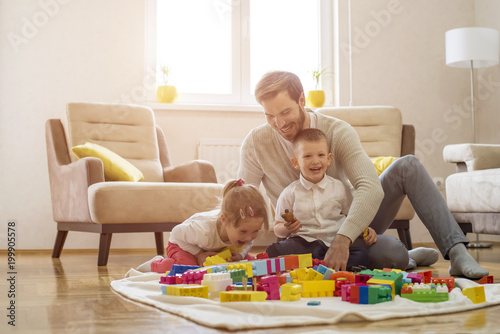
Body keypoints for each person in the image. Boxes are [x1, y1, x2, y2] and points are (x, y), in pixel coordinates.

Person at [237, 70, 489, 279]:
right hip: (304, 240)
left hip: (349, 223)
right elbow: (243, 201)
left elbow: (370, 186)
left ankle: (457, 252)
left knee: (408, 165)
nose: (279, 124)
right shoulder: (256, 142)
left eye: (285, 112)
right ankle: (409, 257)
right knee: (393, 256)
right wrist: (233, 250)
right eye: (269, 115)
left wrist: (344, 238)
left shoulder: (338, 131)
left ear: (302, 100)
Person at [268, 128, 378, 270]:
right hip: (303, 243)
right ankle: (323, 266)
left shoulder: (339, 187)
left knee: (362, 255)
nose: (315, 161)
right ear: (296, 162)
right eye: (307, 156)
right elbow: (277, 228)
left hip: (334, 243)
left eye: (321, 155)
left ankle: (315, 266)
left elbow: (352, 215)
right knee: (273, 251)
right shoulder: (289, 193)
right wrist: (286, 228)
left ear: (328, 159)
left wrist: (366, 229)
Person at [149, 179, 269, 272]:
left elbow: (248, 242)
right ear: (224, 220)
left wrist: (240, 254)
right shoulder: (203, 231)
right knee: (189, 268)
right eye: (243, 232)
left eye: (255, 231)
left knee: (250, 264)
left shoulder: (246, 232)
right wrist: (199, 254)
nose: (249, 237)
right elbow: (176, 233)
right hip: (183, 245)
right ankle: (156, 264)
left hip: (215, 249)